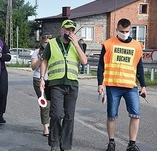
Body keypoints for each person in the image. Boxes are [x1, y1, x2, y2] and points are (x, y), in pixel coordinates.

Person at [97, 18, 147, 151]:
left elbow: (140, 67)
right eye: (121, 31)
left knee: (135, 114)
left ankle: (132, 144)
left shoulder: (136, 46)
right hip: (113, 86)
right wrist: (100, 83)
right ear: (116, 30)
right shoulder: (108, 44)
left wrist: (143, 86)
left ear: (130, 30)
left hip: (130, 86)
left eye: (127, 31)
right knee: (112, 115)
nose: (124, 33)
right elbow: (101, 66)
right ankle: (111, 142)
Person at [39, 19, 87, 151]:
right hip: (56, 84)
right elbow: (44, 61)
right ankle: (54, 141)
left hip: (72, 84)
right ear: (62, 30)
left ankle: (65, 146)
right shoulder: (52, 43)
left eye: (72, 30)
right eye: (67, 29)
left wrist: (77, 45)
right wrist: (42, 78)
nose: (70, 32)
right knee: (56, 114)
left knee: (69, 117)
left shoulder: (77, 45)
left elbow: (84, 62)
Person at [31, 33, 52, 137]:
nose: (46, 44)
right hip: (39, 79)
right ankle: (46, 127)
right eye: (45, 42)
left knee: (52, 104)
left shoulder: (54, 51)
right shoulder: (36, 52)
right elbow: (33, 67)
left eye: (49, 42)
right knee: (44, 104)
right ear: (42, 42)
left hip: (51, 79)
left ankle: (53, 125)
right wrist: (41, 58)